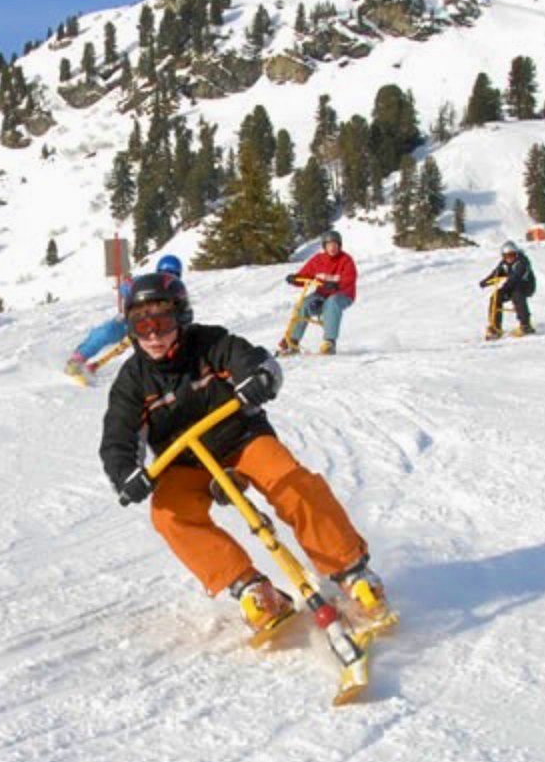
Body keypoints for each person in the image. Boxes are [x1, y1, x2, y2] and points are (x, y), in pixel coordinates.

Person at [102, 270, 387, 635]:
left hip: (241, 440)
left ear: (182, 316)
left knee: (292, 483)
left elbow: (254, 361)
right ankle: (251, 587)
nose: (153, 335)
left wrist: (258, 379)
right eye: (142, 328)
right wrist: (125, 472)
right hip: (187, 463)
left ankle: (350, 571)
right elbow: (118, 437)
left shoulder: (210, 343)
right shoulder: (132, 381)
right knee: (168, 515)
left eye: (161, 322)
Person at [66, 254, 183, 382]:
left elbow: (182, 313)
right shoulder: (146, 281)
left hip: (158, 328)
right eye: (164, 273)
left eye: (173, 274)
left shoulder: (178, 291)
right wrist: (129, 287)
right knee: (107, 331)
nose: (168, 277)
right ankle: (77, 359)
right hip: (133, 319)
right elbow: (125, 287)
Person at [280, 231, 358, 355]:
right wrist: (295, 278)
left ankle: (329, 342)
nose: (332, 248)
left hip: (343, 295)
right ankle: (293, 342)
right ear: (324, 246)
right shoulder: (318, 260)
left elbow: (350, 279)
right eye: (329, 245)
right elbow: (305, 275)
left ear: (339, 246)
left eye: (335, 245)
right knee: (304, 303)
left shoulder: (346, 260)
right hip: (322, 295)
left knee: (332, 303)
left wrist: (336, 284)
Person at [478, 241, 537, 339]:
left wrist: (505, 287)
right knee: (495, 297)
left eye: (512, 255)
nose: (509, 258)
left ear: (516, 254)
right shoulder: (504, 263)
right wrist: (486, 281)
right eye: (506, 256)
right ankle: (495, 326)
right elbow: (497, 272)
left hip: (526, 286)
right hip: (511, 286)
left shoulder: (522, 262)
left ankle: (525, 325)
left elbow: (516, 277)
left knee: (517, 295)